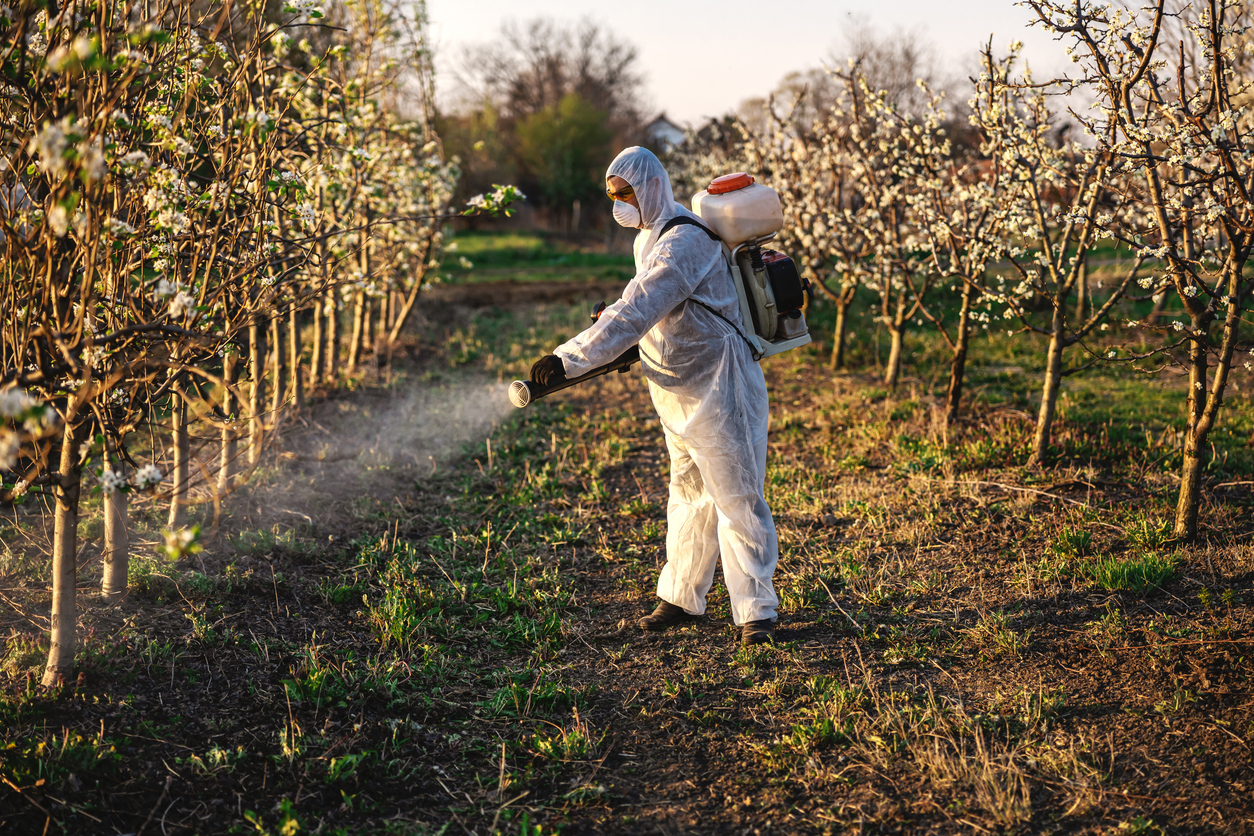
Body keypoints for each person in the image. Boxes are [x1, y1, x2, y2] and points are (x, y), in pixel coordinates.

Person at [529, 146, 780, 646]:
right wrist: (608, 332)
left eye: (625, 193)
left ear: (651, 188)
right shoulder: (650, 237)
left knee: (736, 497)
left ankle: (757, 611)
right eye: (612, 196)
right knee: (687, 495)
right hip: (679, 391)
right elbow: (636, 302)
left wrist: (570, 357)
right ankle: (682, 597)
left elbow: (641, 306)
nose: (619, 203)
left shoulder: (684, 238)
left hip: (720, 385)